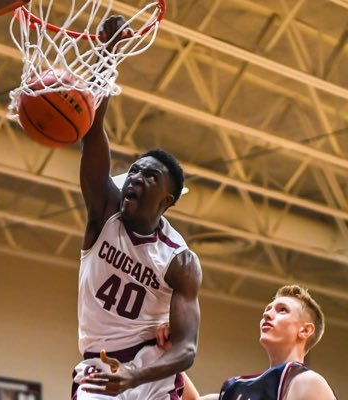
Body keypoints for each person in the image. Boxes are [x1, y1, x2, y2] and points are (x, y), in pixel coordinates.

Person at [71, 15, 202, 400]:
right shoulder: (104, 210)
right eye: (134, 171)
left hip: (150, 367)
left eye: (149, 177)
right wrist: (106, 57)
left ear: (167, 200)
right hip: (99, 365)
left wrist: (135, 380)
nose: (135, 178)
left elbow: (187, 348)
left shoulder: (180, 260)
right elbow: (93, 130)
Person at [157, 285, 337, 400]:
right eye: (267, 310)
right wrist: (171, 354)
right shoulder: (237, 387)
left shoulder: (307, 382)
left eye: (282, 310)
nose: (267, 314)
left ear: (305, 330)